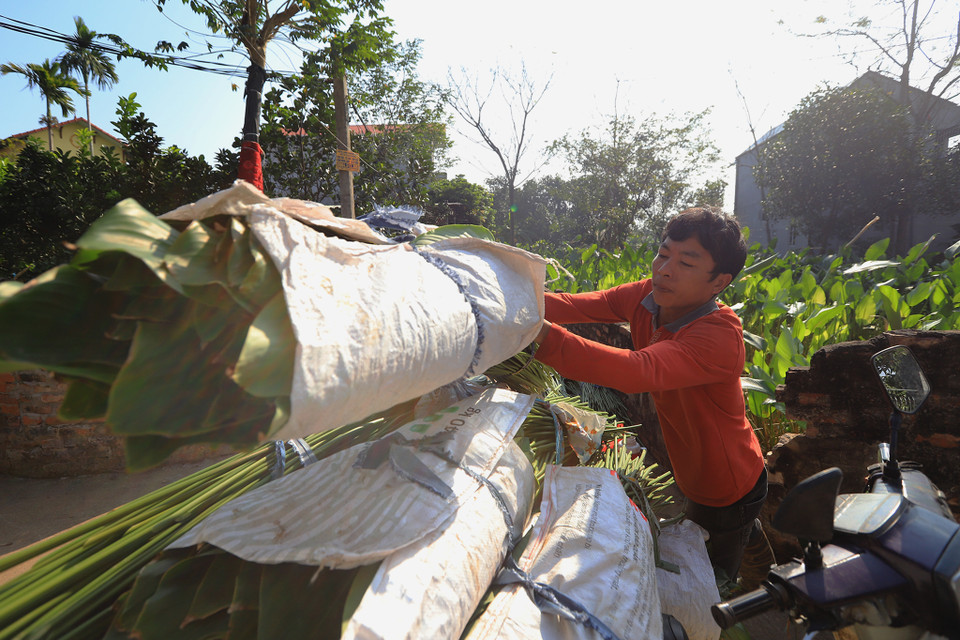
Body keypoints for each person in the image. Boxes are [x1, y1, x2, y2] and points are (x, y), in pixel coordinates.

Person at [531, 206, 774, 587]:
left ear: (719, 282)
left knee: (712, 580)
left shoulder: (718, 336)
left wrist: (535, 335)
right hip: (691, 471)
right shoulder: (648, 298)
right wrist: (516, 300)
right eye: (663, 253)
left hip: (726, 487)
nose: (664, 269)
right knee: (716, 538)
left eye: (686, 263)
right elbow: (575, 305)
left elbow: (636, 370)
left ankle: (746, 585)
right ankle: (749, 538)